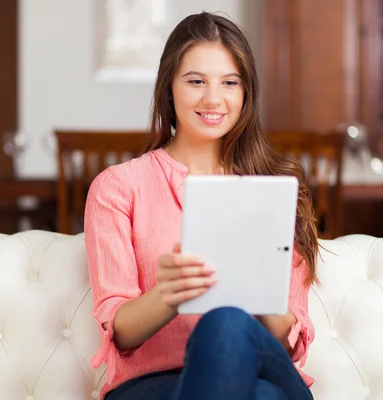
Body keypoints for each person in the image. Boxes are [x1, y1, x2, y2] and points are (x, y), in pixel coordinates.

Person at [85, 11, 318, 400]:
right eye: (196, 81)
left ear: (245, 93)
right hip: (153, 384)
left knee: (226, 322)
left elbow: (288, 339)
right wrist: (169, 294)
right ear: (169, 88)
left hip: (262, 364)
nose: (213, 98)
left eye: (230, 82)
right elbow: (120, 330)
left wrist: (250, 283)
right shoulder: (119, 187)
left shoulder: (273, 190)